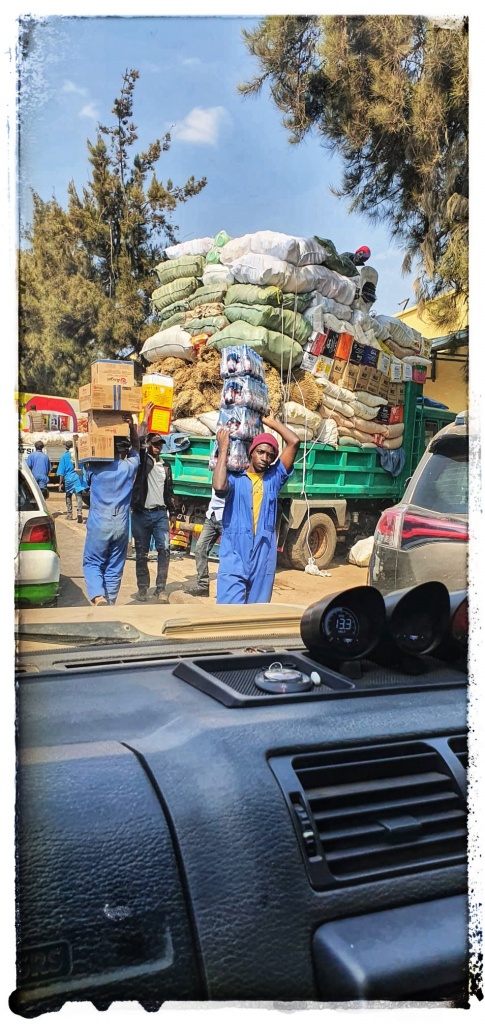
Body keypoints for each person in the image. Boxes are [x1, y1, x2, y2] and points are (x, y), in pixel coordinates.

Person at [213, 414, 300, 604]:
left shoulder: (274, 478)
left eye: (270, 455)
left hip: (263, 555)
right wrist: (224, 448)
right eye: (261, 452)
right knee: (228, 615)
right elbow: (219, 488)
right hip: (235, 553)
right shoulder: (235, 479)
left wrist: (270, 423)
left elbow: (294, 442)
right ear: (251, 452)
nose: (265, 458)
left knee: (256, 615)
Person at [82, 417, 140, 606]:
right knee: (115, 566)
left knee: (92, 562)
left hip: (100, 522)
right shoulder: (129, 467)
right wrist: (131, 427)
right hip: (121, 524)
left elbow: (86, 483)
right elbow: (137, 448)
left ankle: (99, 596)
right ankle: (110, 602)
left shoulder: (95, 467)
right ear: (124, 451)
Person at [130, 402, 177, 603]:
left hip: (159, 515)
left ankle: (161, 588)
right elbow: (139, 443)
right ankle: (142, 589)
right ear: (149, 445)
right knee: (141, 553)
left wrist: (173, 513)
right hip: (141, 514)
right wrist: (145, 418)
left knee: (164, 550)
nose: (158, 447)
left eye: (160, 444)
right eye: (155, 443)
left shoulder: (165, 467)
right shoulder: (143, 462)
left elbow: (170, 492)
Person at [184, 489, 225, 597]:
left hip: (226, 517)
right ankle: (203, 586)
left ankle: (225, 589)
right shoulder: (216, 472)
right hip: (211, 515)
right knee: (200, 548)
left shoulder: (235, 473)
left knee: (228, 553)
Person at [57, 439, 85, 523]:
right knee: (78, 495)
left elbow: (61, 471)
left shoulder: (64, 456)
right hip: (78, 477)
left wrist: (60, 483)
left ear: (66, 448)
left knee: (68, 496)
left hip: (69, 479)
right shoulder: (79, 455)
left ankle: (69, 514)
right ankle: (79, 511)